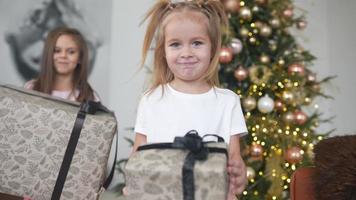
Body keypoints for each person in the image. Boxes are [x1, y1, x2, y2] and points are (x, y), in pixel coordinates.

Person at [129, 0, 248, 199]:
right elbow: (138, 156)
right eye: (175, 44)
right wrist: (132, 185)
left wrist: (238, 175)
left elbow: (234, 160)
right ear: (163, 52)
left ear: (213, 47)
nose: (186, 53)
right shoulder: (151, 100)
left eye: (197, 43)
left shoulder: (228, 102)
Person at [24, 26, 99, 102]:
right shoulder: (31, 88)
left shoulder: (90, 97)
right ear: (48, 55)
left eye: (71, 52)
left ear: (80, 58)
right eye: (57, 51)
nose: (63, 56)